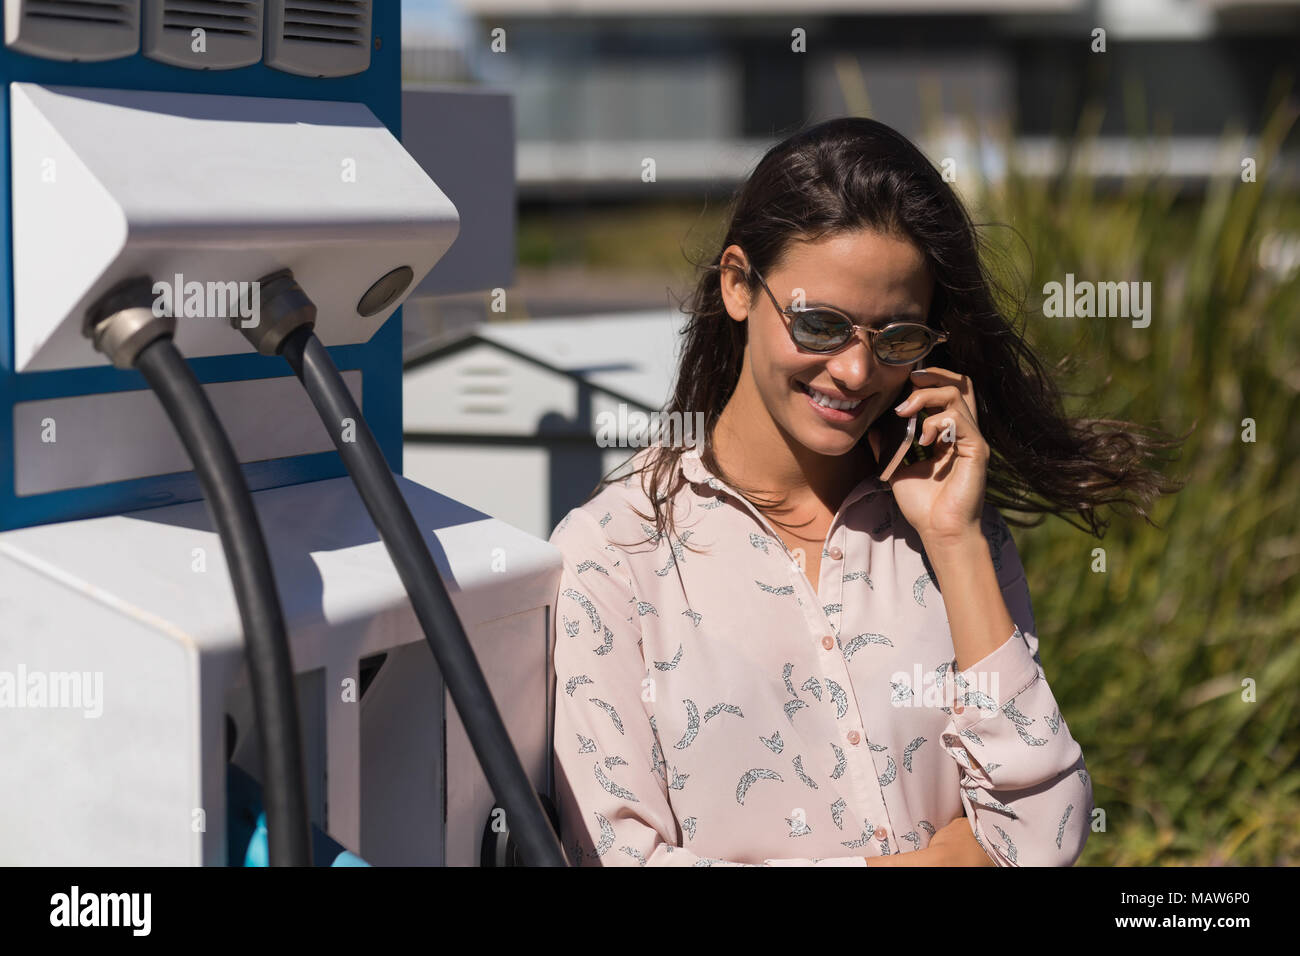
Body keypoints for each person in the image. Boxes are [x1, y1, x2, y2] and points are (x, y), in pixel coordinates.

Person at [548, 116, 1185, 866]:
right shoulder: (611, 555)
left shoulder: (952, 535)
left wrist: (955, 540)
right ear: (737, 286)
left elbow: (1045, 834)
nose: (855, 372)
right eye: (820, 324)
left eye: (897, 338)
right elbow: (617, 856)